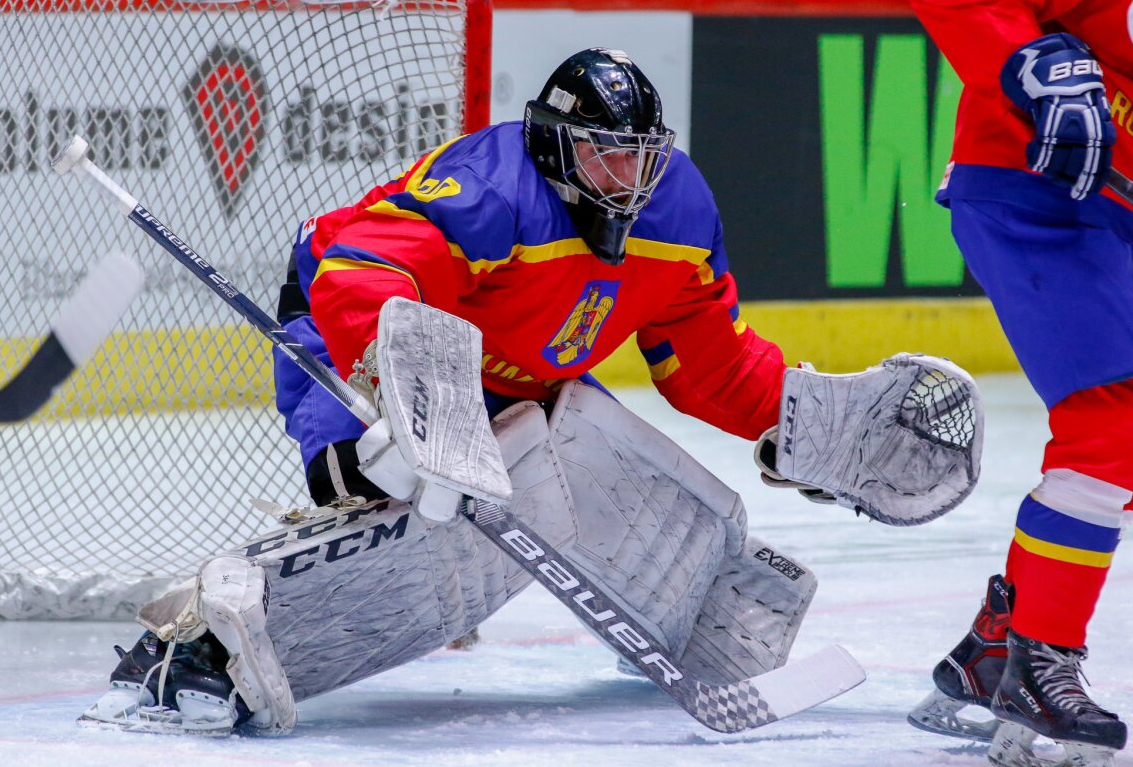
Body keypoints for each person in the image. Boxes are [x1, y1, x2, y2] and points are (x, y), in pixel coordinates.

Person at [78, 47, 981, 736]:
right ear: (555, 146)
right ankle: (198, 647)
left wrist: (805, 426)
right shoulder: (492, 190)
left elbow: (706, 363)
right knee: (404, 490)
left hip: (515, 362)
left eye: (641, 157)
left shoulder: (678, 212)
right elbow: (360, 273)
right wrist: (406, 404)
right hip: (351, 329)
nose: (628, 182)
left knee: (573, 454)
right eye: (604, 158)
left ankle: (695, 605)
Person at [906, 0, 1133, 767]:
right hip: (1033, 193)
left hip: (1113, 212)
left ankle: (996, 650)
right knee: (1111, 427)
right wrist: (1036, 64)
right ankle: (1041, 665)